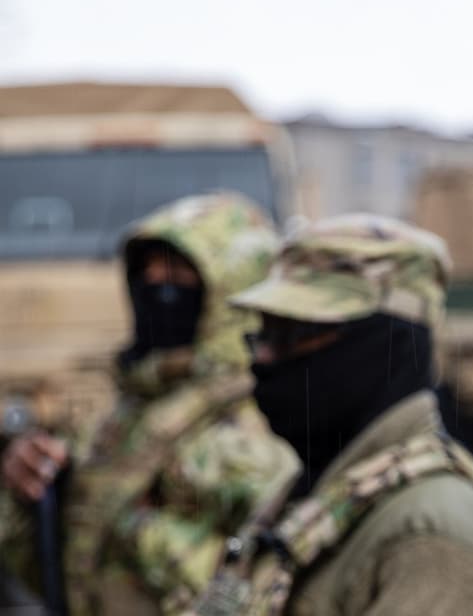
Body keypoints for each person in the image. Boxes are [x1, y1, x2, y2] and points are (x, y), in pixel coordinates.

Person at [191, 213, 473, 616]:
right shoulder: (313, 492)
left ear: (381, 343)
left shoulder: (434, 532)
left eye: (292, 333)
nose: (262, 358)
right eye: (264, 333)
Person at [0, 192, 298, 615]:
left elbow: (272, 588)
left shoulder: (264, 427)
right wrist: (30, 499)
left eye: (178, 271)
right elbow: (57, 577)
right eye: (147, 269)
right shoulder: (118, 416)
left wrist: (144, 534)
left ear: (230, 289)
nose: (157, 283)